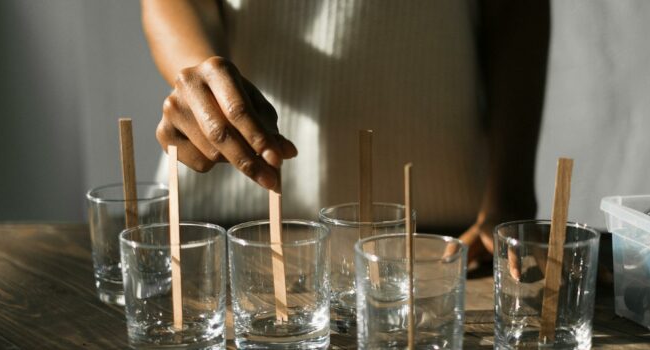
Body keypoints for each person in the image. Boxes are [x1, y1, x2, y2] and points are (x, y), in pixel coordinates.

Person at [141, 0, 549, 263]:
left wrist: (509, 196)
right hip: (220, 223)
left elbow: (516, 13)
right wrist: (196, 75)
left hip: (442, 230)